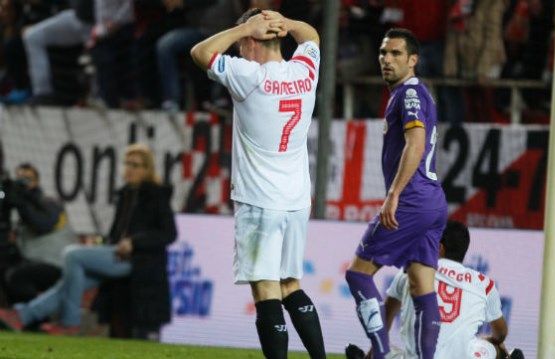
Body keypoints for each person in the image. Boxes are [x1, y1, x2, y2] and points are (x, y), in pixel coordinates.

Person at [190, 8, 324, 359]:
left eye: (242, 42)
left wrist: (243, 29)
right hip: (296, 199)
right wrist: (288, 23)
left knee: (266, 289)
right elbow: (311, 37)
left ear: (253, 40)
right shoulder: (305, 72)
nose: (237, 51)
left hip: (259, 199)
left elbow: (200, 53)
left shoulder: (247, 75)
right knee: (290, 284)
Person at [344, 28, 448, 359]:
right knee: (421, 284)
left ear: (413, 60)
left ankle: (379, 352)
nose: (387, 60)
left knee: (358, 274)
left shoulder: (410, 93)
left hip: (412, 199)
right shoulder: (415, 93)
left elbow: (415, 143)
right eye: (383, 53)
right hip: (433, 200)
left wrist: (393, 194)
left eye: (396, 54)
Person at [0, 143, 177, 336]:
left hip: (138, 260)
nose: (129, 169)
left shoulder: (156, 195)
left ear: (147, 169)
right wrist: (103, 244)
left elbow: (169, 233)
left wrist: (135, 242)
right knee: (69, 283)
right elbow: (118, 234)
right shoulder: (125, 194)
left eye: (136, 165)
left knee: (72, 255)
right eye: (127, 163)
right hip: (118, 254)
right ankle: (22, 316)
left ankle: (69, 322)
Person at [380, 221, 522, 359]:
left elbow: (384, 322)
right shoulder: (484, 284)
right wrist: (490, 340)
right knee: (496, 347)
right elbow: (501, 333)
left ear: (440, 247)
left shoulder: (410, 271)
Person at [4, 163, 77, 305]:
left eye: (27, 179)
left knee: (16, 277)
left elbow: (42, 225)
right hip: (36, 262)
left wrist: (22, 204)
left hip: (57, 264)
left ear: (37, 182)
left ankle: (33, 318)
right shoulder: (23, 208)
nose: (22, 183)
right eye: (19, 179)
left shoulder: (49, 202)